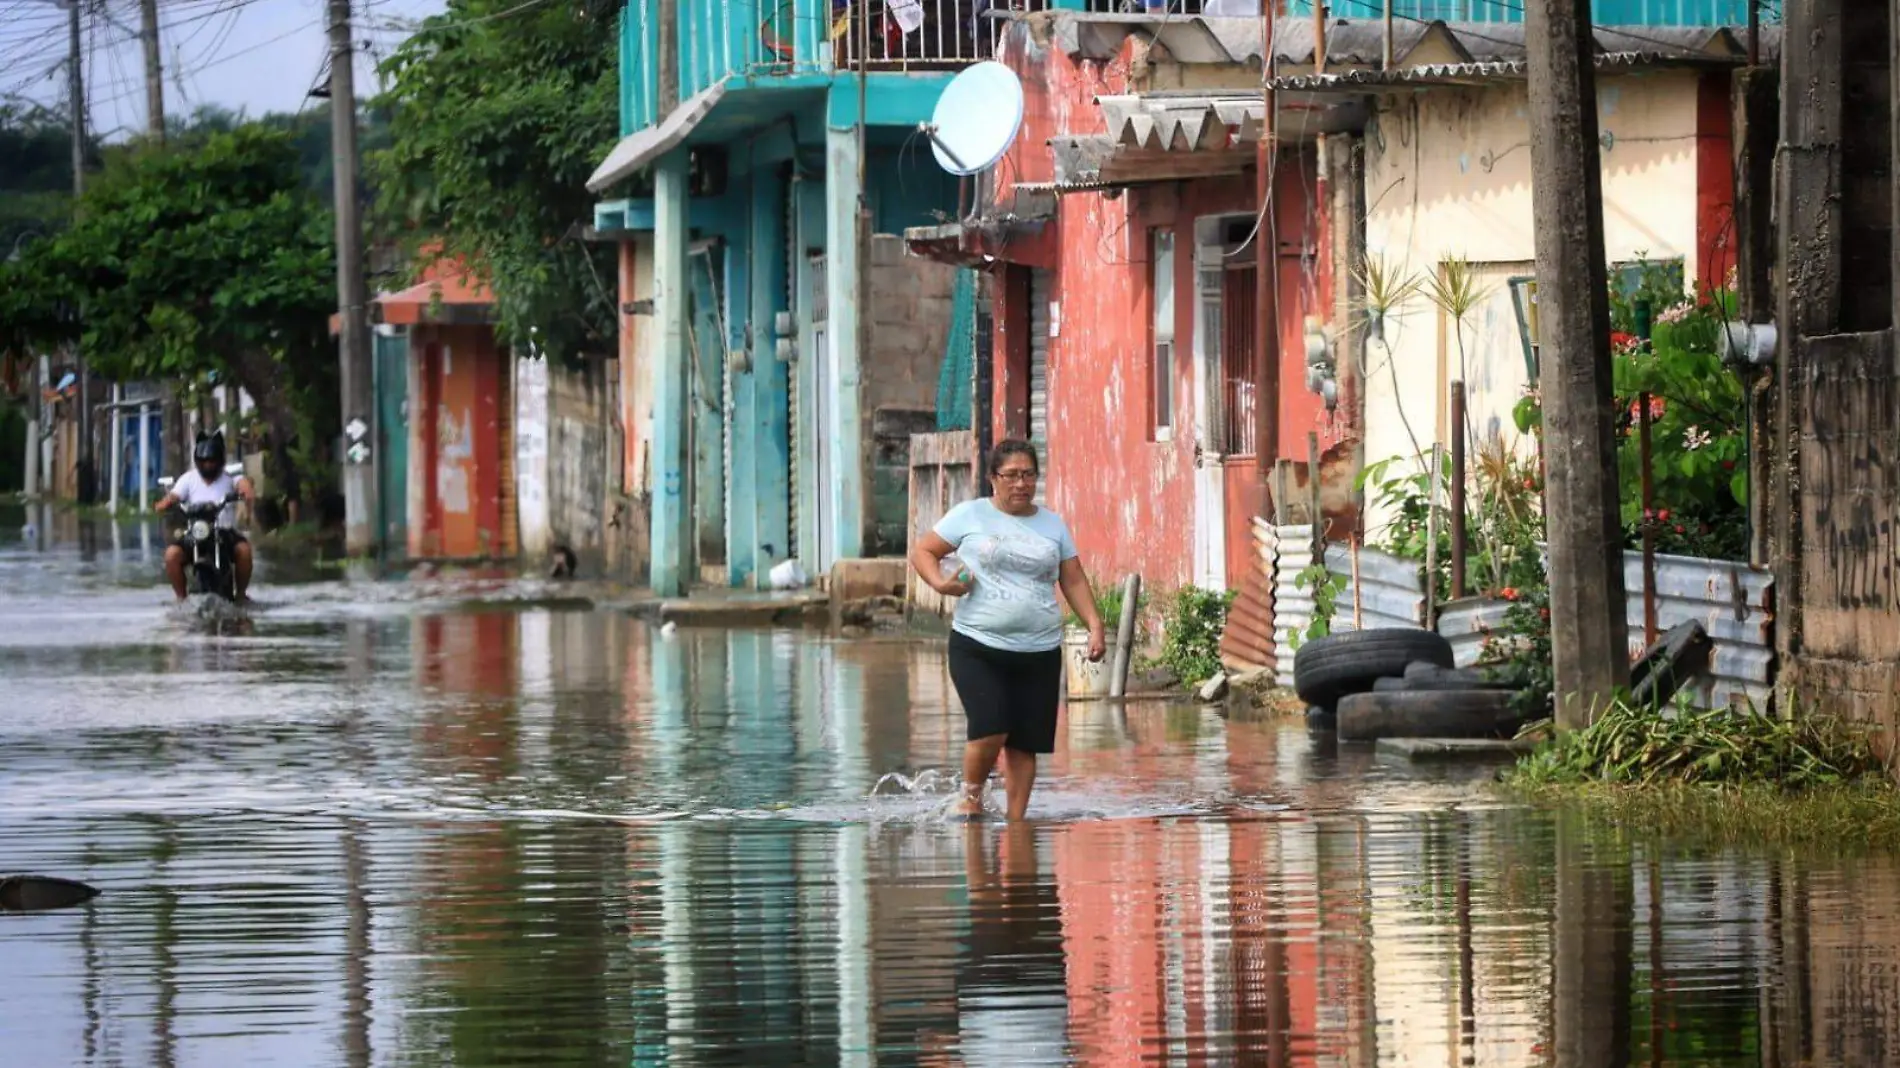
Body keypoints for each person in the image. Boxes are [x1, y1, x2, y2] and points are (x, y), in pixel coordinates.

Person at [909, 439, 1106, 820]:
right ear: (993, 479)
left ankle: (1017, 825)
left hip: (1039, 650)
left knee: (1024, 743)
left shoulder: (1052, 524)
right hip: (978, 644)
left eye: (1028, 475)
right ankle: (971, 797)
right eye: (1011, 475)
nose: (1021, 483)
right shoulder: (970, 515)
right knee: (991, 727)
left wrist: (1095, 625)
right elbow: (923, 551)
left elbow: (1074, 579)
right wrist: (940, 583)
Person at [153, 430, 256, 603]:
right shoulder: (188, 479)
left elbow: (243, 484)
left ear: (220, 460)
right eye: (204, 461)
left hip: (224, 532)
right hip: (196, 532)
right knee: (171, 555)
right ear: (197, 461)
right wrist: (165, 503)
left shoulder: (230, 477)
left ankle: (240, 594)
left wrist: (246, 490)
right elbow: (175, 495)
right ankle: (181, 598)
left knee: (244, 551)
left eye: (212, 461)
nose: (208, 465)